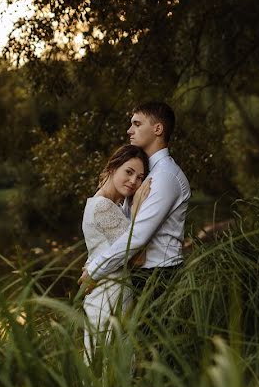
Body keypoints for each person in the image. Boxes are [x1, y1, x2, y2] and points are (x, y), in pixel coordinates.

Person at [80, 101, 191, 307]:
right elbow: (124, 228)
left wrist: (94, 270)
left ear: (158, 129)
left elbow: (138, 237)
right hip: (138, 274)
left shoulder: (165, 177)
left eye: (137, 124)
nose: (129, 130)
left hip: (158, 277)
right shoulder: (146, 174)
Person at [81, 144, 152, 360]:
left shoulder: (106, 204)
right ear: (113, 168)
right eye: (129, 172)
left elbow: (104, 248)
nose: (134, 182)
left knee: (104, 364)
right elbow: (139, 257)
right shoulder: (104, 206)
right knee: (110, 366)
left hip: (106, 292)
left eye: (140, 177)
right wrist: (139, 207)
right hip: (110, 296)